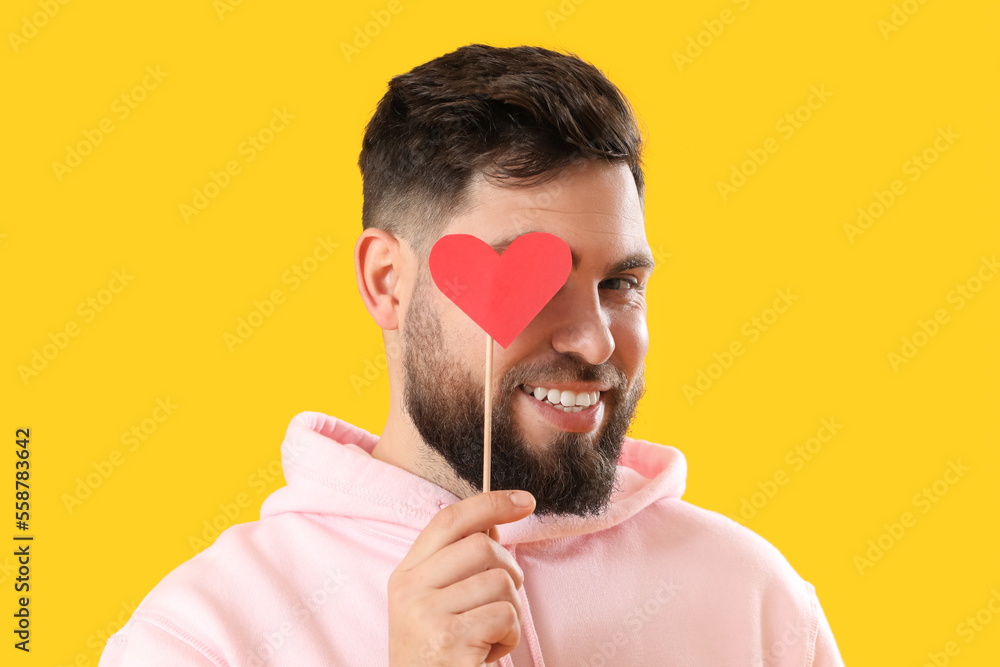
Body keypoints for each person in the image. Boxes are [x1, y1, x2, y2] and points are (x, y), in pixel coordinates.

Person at [99, 44, 846, 666]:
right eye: (538, 274)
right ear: (388, 283)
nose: (594, 340)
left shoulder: (755, 602)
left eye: (620, 282)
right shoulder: (202, 634)